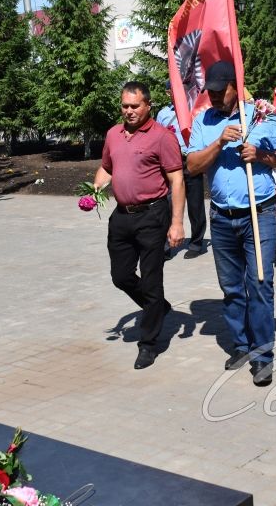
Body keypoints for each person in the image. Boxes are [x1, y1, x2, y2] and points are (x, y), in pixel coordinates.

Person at [187, 61, 276, 387]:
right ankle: (240, 344)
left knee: (260, 284)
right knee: (232, 288)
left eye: (222, 91)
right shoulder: (204, 121)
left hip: (258, 214)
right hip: (222, 218)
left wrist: (261, 156)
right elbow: (192, 166)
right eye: (212, 92)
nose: (217, 97)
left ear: (236, 87)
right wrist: (219, 143)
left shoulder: (260, 116)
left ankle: (263, 357)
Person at [92, 81, 186, 370]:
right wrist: (95, 188)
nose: (129, 111)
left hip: (152, 216)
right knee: (120, 276)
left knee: (151, 280)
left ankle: (148, 344)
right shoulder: (113, 134)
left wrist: (177, 223)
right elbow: (107, 167)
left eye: (135, 106)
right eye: (125, 106)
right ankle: (157, 306)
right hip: (121, 217)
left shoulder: (161, 137)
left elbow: (177, 179)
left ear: (148, 106)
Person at [155, 83, 207, 260]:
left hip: (191, 162)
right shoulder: (163, 114)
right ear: (169, 92)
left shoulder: (195, 112)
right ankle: (165, 245)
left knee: (195, 204)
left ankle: (197, 243)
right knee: (168, 204)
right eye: (173, 91)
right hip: (170, 165)